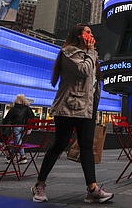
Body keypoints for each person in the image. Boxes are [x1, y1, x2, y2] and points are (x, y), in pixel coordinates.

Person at [31, 24, 113, 204]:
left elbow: (93, 85)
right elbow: (83, 71)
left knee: (86, 148)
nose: (91, 35)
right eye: (87, 32)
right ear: (77, 35)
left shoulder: (92, 55)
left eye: (91, 32)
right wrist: (92, 52)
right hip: (68, 107)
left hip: (87, 109)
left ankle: (92, 189)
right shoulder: (68, 52)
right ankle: (40, 184)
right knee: (59, 145)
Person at [2, 94, 35, 164]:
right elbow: (33, 118)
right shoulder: (28, 109)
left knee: (17, 142)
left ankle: (23, 156)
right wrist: (30, 127)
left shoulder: (14, 109)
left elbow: (6, 119)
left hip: (16, 127)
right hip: (25, 127)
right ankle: (11, 156)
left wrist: (4, 126)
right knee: (18, 142)